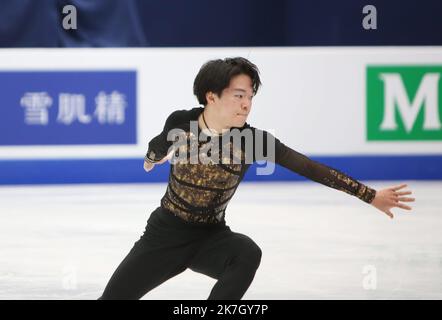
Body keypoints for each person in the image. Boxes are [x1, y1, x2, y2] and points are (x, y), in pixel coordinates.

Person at [99, 57, 415, 300]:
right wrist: (153, 156)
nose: (246, 104)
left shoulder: (254, 141)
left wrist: (369, 195)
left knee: (247, 252)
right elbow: (160, 141)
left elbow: (308, 167)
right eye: (238, 95)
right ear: (211, 96)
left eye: (249, 96)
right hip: (164, 234)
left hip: (211, 236)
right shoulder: (182, 121)